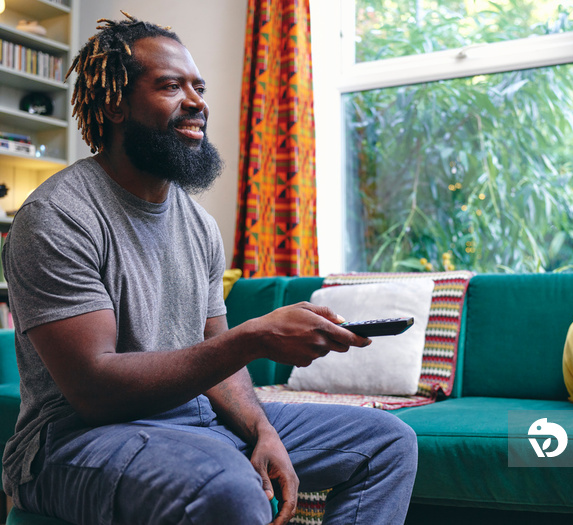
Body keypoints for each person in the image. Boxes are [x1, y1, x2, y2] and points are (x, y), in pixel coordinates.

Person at [1, 13, 418, 525]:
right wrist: (253, 338)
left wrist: (262, 430)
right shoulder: (58, 216)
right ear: (114, 104)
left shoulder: (197, 224)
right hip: (74, 440)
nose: (197, 102)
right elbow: (94, 390)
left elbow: (216, 358)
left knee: (386, 442)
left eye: (198, 87)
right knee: (228, 486)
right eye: (171, 86)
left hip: (191, 419)